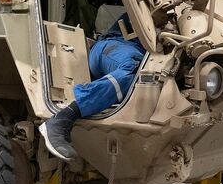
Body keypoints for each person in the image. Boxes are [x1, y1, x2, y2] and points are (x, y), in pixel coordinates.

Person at [39, 13, 145, 162]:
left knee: (146, 76)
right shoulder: (159, 2)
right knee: (136, 69)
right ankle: (62, 119)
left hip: (139, 55)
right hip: (114, 45)